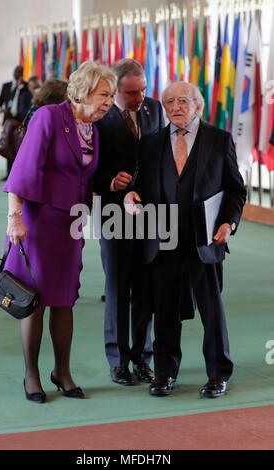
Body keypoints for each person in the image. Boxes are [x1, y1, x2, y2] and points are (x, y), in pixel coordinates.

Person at [3, 62, 117, 403]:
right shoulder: (49, 117)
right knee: (34, 300)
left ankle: (62, 372)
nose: (108, 102)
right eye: (103, 94)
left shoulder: (93, 129)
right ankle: (32, 375)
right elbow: (24, 169)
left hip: (71, 225)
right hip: (39, 223)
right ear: (82, 92)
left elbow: (86, 177)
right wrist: (15, 218)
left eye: (111, 96)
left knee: (65, 299)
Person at [125, 81, 247, 398]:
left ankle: (218, 374)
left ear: (198, 105)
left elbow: (235, 189)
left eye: (183, 101)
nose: (176, 107)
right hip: (162, 240)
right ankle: (165, 374)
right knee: (164, 310)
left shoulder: (219, 140)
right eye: (169, 103)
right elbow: (139, 185)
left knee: (211, 310)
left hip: (205, 240)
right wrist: (131, 195)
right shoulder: (150, 143)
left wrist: (228, 223)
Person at [94, 59, 164, 386]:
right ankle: (118, 360)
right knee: (118, 288)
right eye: (132, 92)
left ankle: (142, 357)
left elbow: (161, 158)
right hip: (112, 212)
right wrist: (111, 182)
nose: (140, 98)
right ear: (116, 88)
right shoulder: (101, 116)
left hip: (149, 213)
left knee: (146, 289)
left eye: (143, 90)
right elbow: (89, 170)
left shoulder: (155, 109)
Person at [0, 65, 28, 180]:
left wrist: (22, 86)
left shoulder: (26, 86)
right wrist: (1, 109)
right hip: (8, 121)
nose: (17, 73)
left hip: (21, 121)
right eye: (16, 71)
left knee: (19, 148)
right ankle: (9, 174)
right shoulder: (6, 86)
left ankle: (18, 174)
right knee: (8, 147)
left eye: (19, 71)